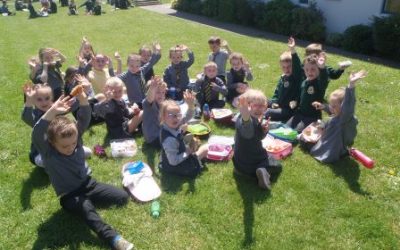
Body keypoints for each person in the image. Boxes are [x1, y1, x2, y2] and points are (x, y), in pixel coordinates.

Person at [32, 92, 134, 250]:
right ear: (52, 143)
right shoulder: (48, 153)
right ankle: (113, 238)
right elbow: (37, 133)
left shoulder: (76, 140)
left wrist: (83, 99)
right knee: (86, 209)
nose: (70, 147)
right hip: (70, 195)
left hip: (89, 185)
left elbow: (85, 117)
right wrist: (52, 110)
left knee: (122, 197)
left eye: (73, 143)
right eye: (64, 146)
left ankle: (90, 202)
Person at [299, 70, 367, 163]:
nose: (331, 107)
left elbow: (348, 106)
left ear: (343, 107)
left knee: (304, 141)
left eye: (334, 106)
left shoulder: (344, 118)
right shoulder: (341, 118)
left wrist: (351, 85)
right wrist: (324, 107)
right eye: (330, 104)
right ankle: (343, 152)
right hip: (333, 145)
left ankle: (302, 139)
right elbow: (333, 114)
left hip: (329, 150)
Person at [233, 89, 281, 190]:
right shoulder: (247, 121)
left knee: (268, 156)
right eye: (255, 105)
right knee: (276, 163)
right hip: (252, 162)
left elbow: (257, 136)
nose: (259, 109)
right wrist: (246, 117)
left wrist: (264, 130)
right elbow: (248, 132)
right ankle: (262, 171)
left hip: (239, 163)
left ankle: (253, 172)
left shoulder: (243, 118)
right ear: (247, 106)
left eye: (262, 106)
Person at [158, 91, 209, 178]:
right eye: (171, 115)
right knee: (205, 149)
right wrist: (187, 152)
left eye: (178, 115)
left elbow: (188, 116)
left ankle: (196, 155)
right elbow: (173, 161)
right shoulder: (169, 140)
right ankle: (196, 159)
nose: (176, 118)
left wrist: (190, 105)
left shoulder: (172, 124)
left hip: (173, 156)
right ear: (163, 117)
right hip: (176, 166)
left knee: (196, 143)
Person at [286, 53, 328, 133]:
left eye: (313, 69)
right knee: (286, 127)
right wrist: (295, 102)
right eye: (307, 69)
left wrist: (322, 68)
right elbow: (300, 96)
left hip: (312, 117)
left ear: (318, 70)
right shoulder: (304, 82)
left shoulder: (319, 83)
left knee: (295, 132)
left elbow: (324, 79)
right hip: (300, 113)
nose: (309, 72)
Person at [266, 37, 302, 122]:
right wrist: (274, 102)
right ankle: (256, 108)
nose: (286, 69)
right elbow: (277, 92)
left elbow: (297, 65)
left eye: (289, 66)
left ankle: (260, 114)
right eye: (284, 67)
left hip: (288, 110)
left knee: (268, 113)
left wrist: (292, 49)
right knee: (263, 100)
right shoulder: (283, 78)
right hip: (278, 105)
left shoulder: (296, 77)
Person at [118, 42, 161, 108]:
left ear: (140, 64)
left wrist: (156, 51)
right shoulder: (126, 75)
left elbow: (151, 62)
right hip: (135, 103)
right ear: (127, 65)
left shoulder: (141, 70)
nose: (134, 68)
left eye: (137, 66)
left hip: (145, 99)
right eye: (131, 66)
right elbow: (115, 79)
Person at [142, 76, 167, 148]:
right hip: (153, 138)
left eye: (163, 92)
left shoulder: (162, 104)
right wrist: (152, 88)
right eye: (158, 92)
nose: (161, 95)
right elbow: (150, 98)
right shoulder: (148, 104)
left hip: (160, 133)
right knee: (171, 140)